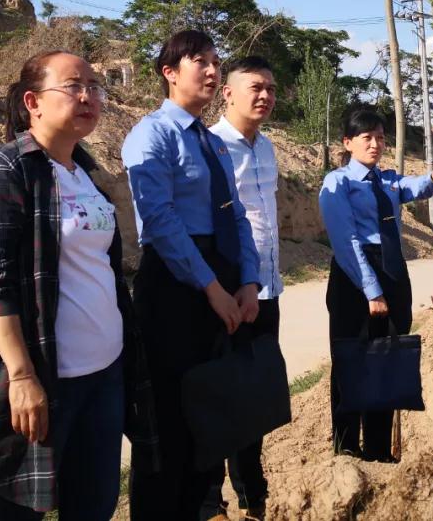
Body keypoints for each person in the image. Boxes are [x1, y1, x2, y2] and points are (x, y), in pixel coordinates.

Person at [0, 50, 151, 520]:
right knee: (19, 509)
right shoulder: (2, 169)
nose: (88, 97)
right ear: (32, 101)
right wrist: (22, 376)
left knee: (94, 506)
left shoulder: (86, 174)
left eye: (94, 87)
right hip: (45, 376)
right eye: (73, 86)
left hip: (104, 373)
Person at [121, 30, 262, 521]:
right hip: (175, 288)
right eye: (200, 61)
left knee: (208, 422)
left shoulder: (212, 142)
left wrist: (248, 281)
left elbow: (236, 214)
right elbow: (160, 222)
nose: (212, 71)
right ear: (169, 72)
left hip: (219, 281)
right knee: (168, 427)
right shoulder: (152, 135)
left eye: (215, 62)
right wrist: (211, 288)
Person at [318, 107, 433, 463]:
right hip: (354, 277)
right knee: (351, 362)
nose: (375, 144)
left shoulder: (387, 181)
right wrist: (372, 290)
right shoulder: (337, 183)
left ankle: (378, 452)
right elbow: (346, 241)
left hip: (392, 271)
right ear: (348, 143)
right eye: (367, 137)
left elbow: (411, 186)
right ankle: (347, 450)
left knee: (387, 362)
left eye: (380, 137)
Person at [206, 56, 282, 520]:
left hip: (268, 290)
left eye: (271, 88)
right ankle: (211, 501)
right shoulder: (211, 147)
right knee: (220, 398)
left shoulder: (268, 147)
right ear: (228, 93)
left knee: (255, 399)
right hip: (230, 294)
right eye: (255, 87)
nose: (265, 96)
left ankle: (254, 499)